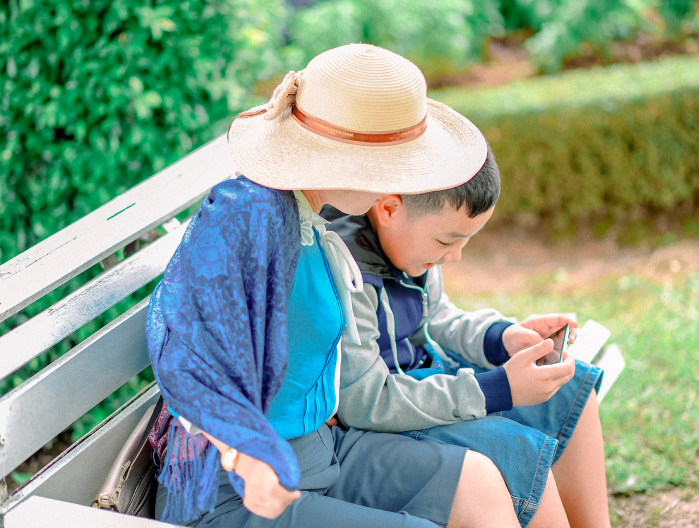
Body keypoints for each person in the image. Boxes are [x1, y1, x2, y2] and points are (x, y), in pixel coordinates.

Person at [145, 43, 524, 528]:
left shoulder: (310, 215)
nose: (408, 185)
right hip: (236, 492)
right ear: (354, 162)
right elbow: (183, 348)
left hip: (318, 454)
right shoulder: (250, 212)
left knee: (477, 482)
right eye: (404, 167)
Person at [324, 143, 612, 528]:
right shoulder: (347, 269)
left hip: (431, 382)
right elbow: (365, 401)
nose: (455, 256)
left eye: (466, 241)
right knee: (513, 449)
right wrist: (497, 389)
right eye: (447, 242)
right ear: (389, 208)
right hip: (388, 413)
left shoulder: (408, 241)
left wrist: (504, 336)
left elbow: (437, 315)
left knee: (573, 386)